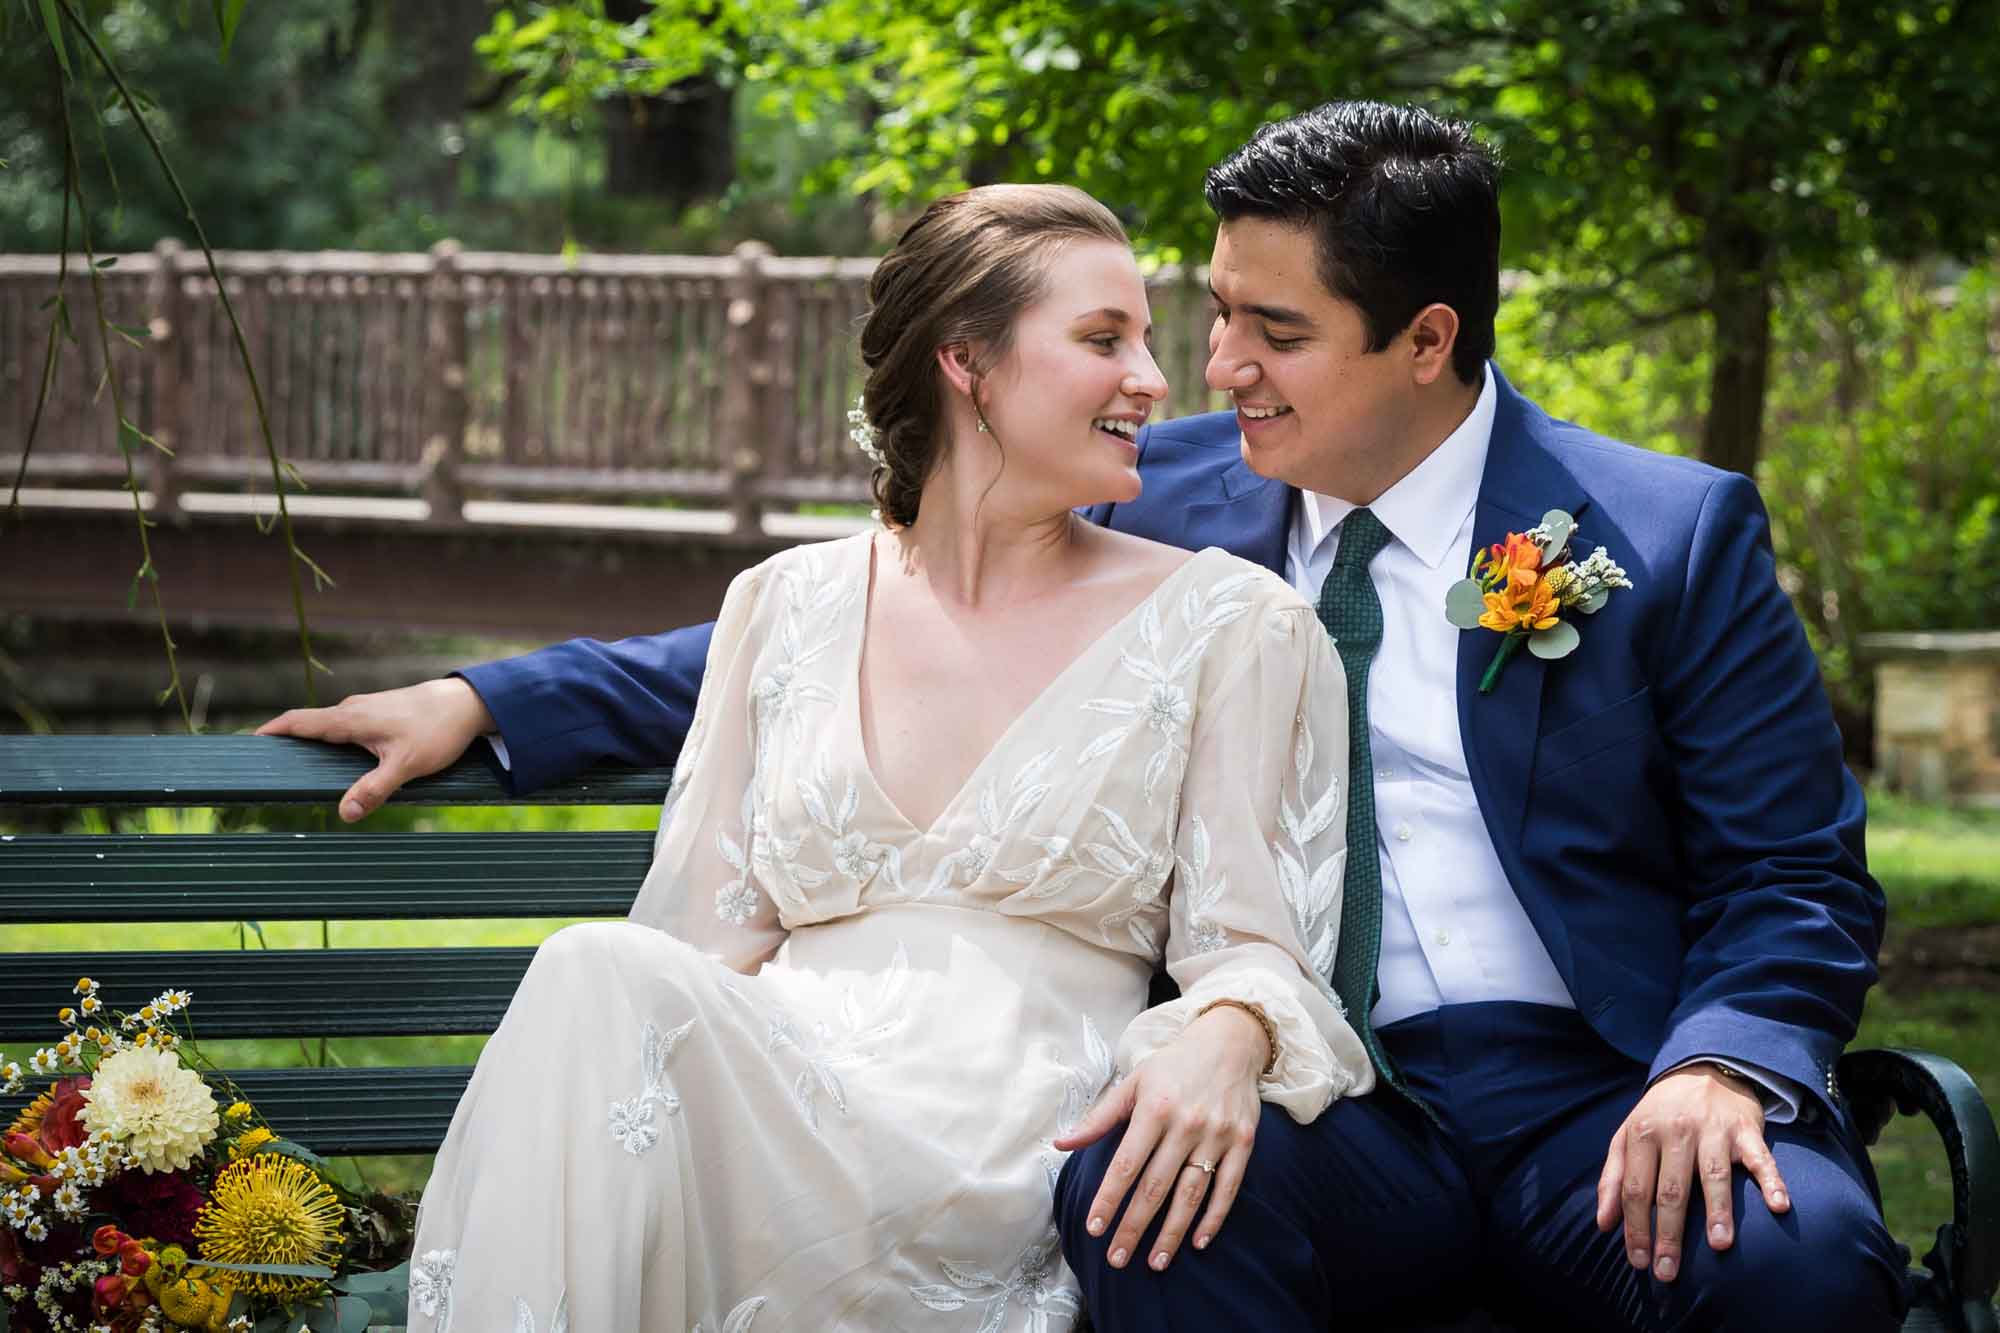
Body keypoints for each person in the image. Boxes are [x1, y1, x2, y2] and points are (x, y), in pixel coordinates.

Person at [265, 104, 1906, 1330]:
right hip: (1318, 1098)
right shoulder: (1167, 492)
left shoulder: (1655, 537)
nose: (1214, 371)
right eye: (1207, 316)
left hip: (1592, 1093)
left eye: (1275, 332)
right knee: (1146, 1197)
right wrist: (490, 692)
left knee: (1802, 1257)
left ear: (1426, 341)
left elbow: (1795, 873)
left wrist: (1723, 1065)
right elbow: (852, 624)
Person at [389, 183, 1372, 1330]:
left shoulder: (1229, 621)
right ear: (967, 361)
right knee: (593, 970)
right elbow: (703, 948)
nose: (1155, 378)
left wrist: (1226, 1031)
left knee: (592, 971)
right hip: (788, 1106)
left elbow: (1255, 945)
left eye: (1144, 340)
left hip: (1006, 1143)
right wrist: (472, 696)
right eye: (1104, 339)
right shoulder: (784, 602)